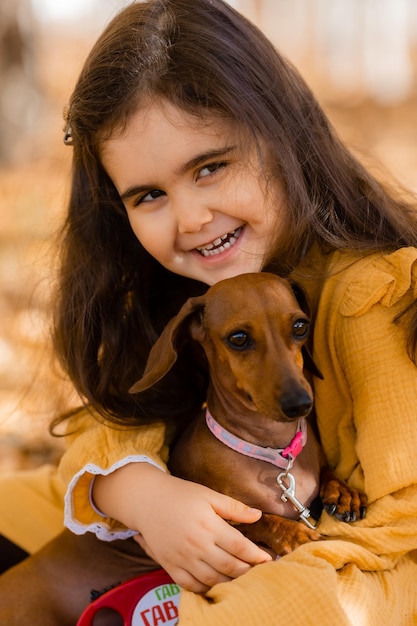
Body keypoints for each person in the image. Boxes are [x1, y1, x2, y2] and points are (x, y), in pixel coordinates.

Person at [1, 0, 417, 623]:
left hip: (341, 568)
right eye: (149, 195)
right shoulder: (184, 293)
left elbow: (402, 524)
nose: (191, 219)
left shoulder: (368, 298)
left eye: (211, 167)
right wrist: (139, 493)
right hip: (186, 526)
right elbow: (109, 423)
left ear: (284, 138)